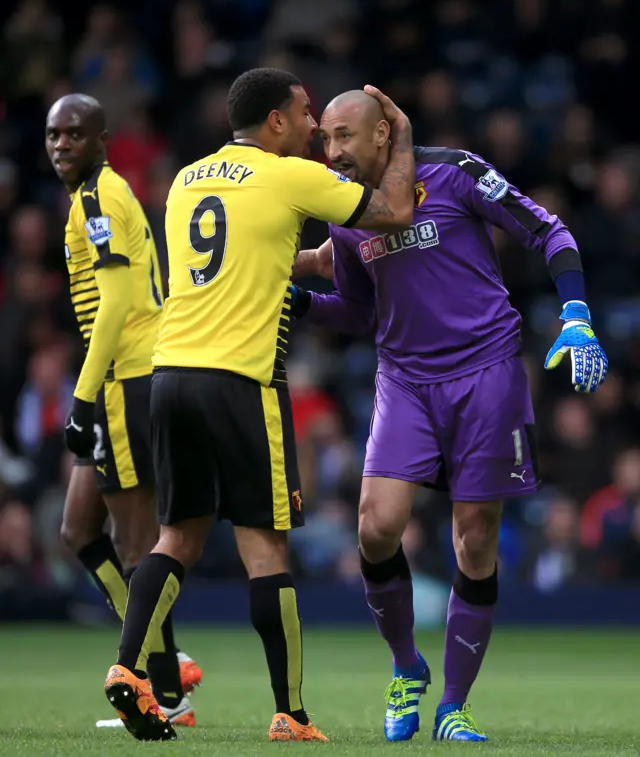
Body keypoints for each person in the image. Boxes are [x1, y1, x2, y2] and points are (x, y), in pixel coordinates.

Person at [102, 67, 417, 742]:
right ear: (276, 121)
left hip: (170, 374)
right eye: (306, 114)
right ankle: (291, 714)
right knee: (266, 550)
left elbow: (247, 252)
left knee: (175, 539)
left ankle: (128, 670)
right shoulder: (287, 175)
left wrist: (306, 262)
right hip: (241, 380)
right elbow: (394, 213)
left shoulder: (186, 179)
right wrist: (406, 140)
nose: (314, 130)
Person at [292, 90, 608, 743]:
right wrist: (290, 299)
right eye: (325, 139)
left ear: (384, 133)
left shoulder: (454, 171)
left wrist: (575, 313)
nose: (333, 152)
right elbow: (355, 310)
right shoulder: (347, 214)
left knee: (475, 539)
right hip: (404, 380)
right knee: (376, 529)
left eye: (344, 136)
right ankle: (406, 665)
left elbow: (546, 229)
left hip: (487, 372)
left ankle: (454, 706)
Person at [45, 94, 202, 729]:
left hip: (128, 378)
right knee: (79, 531)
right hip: (121, 377)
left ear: (102, 140)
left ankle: (159, 688)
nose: (61, 146)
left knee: (137, 546)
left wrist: (81, 397)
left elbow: (113, 305)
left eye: (74, 135)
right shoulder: (97, 196)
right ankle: (167, 670)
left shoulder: (100, 199)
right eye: (54, 136)